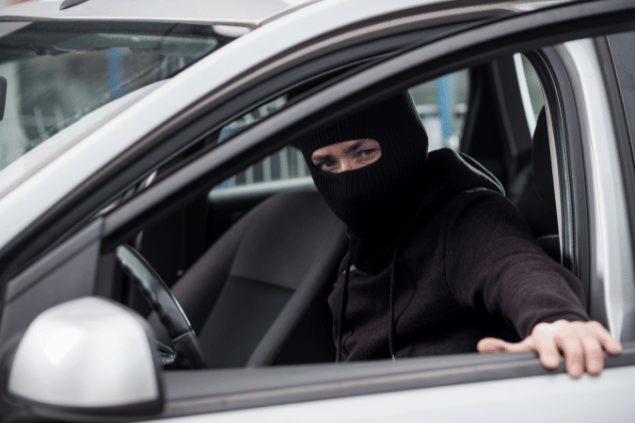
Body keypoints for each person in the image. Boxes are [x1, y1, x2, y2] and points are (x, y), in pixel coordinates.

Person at [295, 92, 622, 378]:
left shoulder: (465, 217)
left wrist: (554, 318)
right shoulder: (357, 250)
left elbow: (510, 261)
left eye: (364, 152)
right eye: (327, 165)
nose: (349, 181)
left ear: (403, 145)